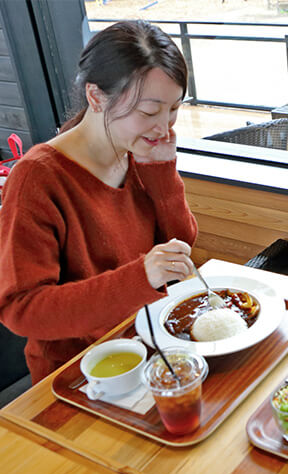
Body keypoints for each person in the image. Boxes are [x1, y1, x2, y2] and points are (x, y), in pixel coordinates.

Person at [0, 21, 198, 384]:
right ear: (96, 97)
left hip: (151, 343)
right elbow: (21, 309)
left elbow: (181, 244)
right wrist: (140, 277)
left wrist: (162, 173)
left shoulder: (139, 150)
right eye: (150, 111)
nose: (164, 127)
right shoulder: (37, 178)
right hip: (79, 373)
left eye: (173, 109)